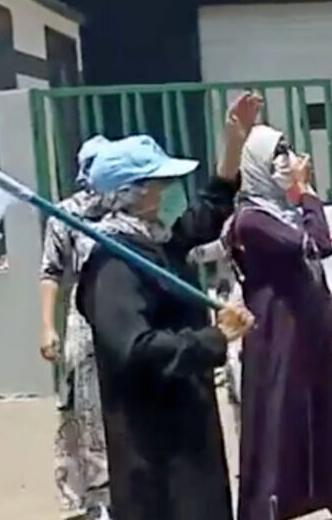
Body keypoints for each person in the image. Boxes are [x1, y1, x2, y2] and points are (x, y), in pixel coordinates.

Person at [75, 93, 259, 520]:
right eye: (162, 184)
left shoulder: (153, 245)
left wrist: (233, 143)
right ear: (136, 194)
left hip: (185, 427)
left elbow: (208, 211)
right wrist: (215, 337)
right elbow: (135, 348)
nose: (170, 193)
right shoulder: (112, 265)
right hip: (153, 446)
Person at [226, 125, 332, 520]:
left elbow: (307, 227)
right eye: (277, 156)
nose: (288, 161)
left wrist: (327, 203)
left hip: (308, 332)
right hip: (275, 335)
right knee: (277, 423)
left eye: (288, 152)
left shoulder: (280, 211)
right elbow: (314, 243)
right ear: (258, 167)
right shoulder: (251, 219)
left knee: (323, 419)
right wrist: (308, 194)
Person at [39, 135, 112, 519]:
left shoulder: (124, 213)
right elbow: (51, 272)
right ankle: (92, 498)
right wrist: (47, 326)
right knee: (85, 409)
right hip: (84, 323)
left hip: (124, 317)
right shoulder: (65, 215)